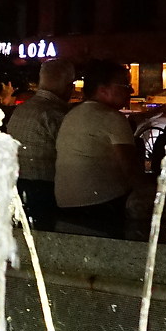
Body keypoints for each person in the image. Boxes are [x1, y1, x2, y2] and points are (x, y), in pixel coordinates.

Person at [54, 59, 140, 236]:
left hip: (64, 206)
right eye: (125, 85)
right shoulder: (112, 118)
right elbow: (131, 171)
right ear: (103, 89)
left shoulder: (71, 115)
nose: (131, 90)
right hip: (102, 207)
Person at [4, 58, 72, 227]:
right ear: (67, 85)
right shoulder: (57, 114)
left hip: (16, 185)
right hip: (47, 189)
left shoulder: (21, 110)